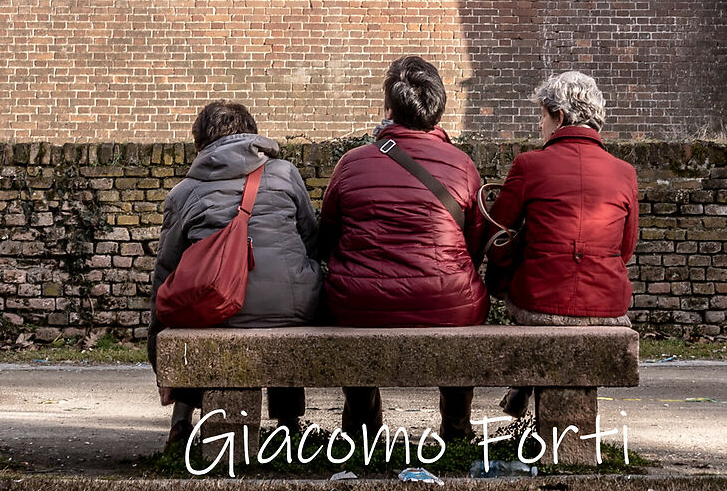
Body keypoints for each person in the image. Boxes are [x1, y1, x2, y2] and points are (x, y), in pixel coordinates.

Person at [315, 56, 485, 441]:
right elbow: (474, 245)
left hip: (359, 303)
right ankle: (457, 429)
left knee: (350, 310)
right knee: (459, 309)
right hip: (448, 302)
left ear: (389, 108)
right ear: (437, 109)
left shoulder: (352, 164)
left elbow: (326, 240)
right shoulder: (462, 166)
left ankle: (362, 425)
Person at [152, 100, 323, 446]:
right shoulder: (286, 173)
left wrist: (158, 355)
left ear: (201, 143)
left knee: (191, 303)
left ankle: (182, 417)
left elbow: (166, 272)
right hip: (294, 307)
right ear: (253, 135)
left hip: (220, 311)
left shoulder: (184, 193)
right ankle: (289, 424)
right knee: (283, 300)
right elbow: (311, 240)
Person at [485, 70, 640, 418]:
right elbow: (626, 249)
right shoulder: (624, 172)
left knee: (525, 293)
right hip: (608, 309)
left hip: (538, 304)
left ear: (558, 116)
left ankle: (525, 381)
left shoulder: (529, 164)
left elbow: (495, 234)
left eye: (541, 115)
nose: (540, 125)